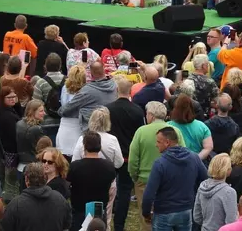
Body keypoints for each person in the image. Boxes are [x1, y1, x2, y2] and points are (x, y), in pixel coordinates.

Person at [128, 102, 185, 231]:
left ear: (151, 115)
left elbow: (133, 159)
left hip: (144, 180)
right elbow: (183, 153)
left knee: (147, 218)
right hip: (171, 181)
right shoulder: (175, 131)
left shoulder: (141, 131)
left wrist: (134, 176)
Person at [142, 126, 208, 231]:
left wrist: (146, 213)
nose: (156, 145)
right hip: (186, 210)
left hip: (163, 212)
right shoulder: (194, 158)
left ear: (167, 142)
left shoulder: (159, 164)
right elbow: (205, 180)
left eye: (158, 142)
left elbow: (149, 193)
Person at [106, 78, 144, 231]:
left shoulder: (108, 109)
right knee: (125, 190)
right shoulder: (137, 110)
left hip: (110, 156)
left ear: (116, 90)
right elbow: (139, 134)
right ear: (130, 92)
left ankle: (106, 217)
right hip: (128, 156)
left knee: (107, 188)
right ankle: (119, 225)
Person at [67, 131, 117, 231]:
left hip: (79, 211)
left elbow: (68, 186)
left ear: (84, 146)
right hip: (99, 211)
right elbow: (112, 189)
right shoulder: (109, 166)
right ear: (99, 146)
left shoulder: (75, 166)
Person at [1, 161, 71, 231]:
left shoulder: (15, 205)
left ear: (26, 179)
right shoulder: (60, 199)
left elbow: (5, 227)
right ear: (45, 178)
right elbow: (66, 227)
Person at [58, 61, 117, 130]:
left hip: (92, 132)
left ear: (91, 74)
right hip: (111, 128)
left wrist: (60, 110)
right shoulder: (115, 85)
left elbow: (65, 110)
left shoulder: (87, 91)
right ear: (104, 70)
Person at [194, 153, 238, 231]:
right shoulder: (229, 192)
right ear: (228, 170)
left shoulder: (202, 186)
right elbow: (231, 222)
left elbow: (197, 216)